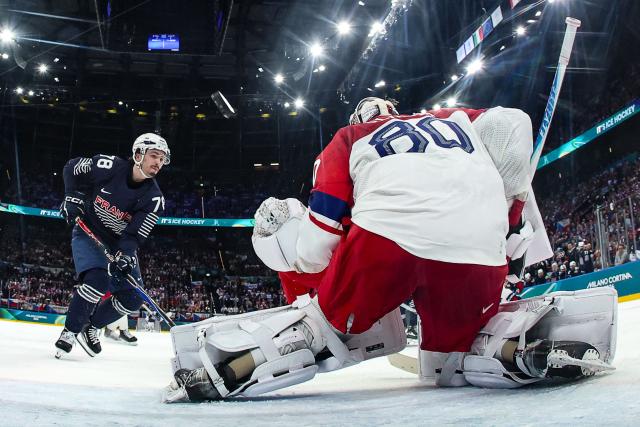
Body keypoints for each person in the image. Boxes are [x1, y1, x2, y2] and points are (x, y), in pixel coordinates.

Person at [163, 99, 614, 402]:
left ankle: (243, 361)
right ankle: (514, 346)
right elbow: (510, 125)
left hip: (387, 244)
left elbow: (319, 244)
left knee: (325, 329)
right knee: (445, 368)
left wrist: (295, 259)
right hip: (475, 252)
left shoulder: (348, 138)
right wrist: (511, 235)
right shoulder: (454, 116)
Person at [54, 133, 168, 359]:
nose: (158, 162)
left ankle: (92, 326)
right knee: (97, 280)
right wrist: (71, 197)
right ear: (138, 154)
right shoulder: (109, 166)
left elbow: (133, 236)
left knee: (134, 298)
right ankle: (70, 331)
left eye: (162, 159)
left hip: (117, 244)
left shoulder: (155, 199)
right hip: (89, 231)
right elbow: (71, 167)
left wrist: (125, 255)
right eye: (154, 155)